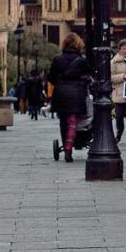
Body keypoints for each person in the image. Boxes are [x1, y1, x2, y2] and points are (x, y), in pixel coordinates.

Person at [47, 33, 92, 162]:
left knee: (63, 121)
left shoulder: (57, 59)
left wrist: (60, 83)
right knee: (73, 121)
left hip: (61, 93)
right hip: (77, 93)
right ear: (78, 45)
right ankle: (69, 147)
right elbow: (90, 74)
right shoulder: (81, 60)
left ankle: (67, 146)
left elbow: (51, 78)